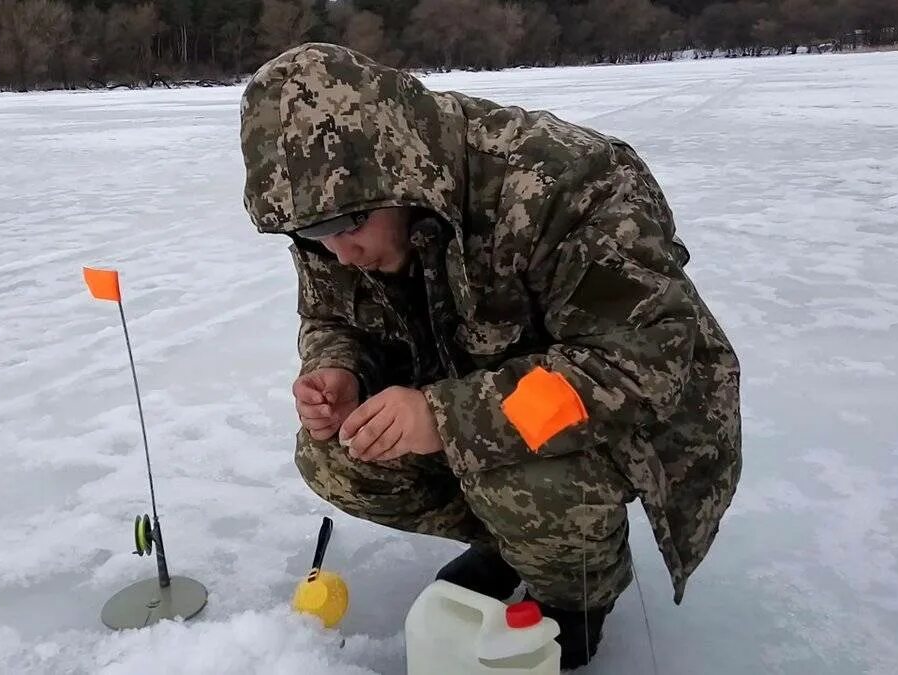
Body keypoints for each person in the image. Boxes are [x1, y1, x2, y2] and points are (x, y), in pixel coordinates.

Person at [239, 43, 742, 669]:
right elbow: (332, 314)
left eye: (347, 227)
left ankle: (580, 593)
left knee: (522, 473)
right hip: (473, 383)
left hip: (622, 416)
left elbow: (639, 363)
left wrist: (445, 418)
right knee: (337, 454)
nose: (339, 253)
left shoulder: (562, 180)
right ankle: (519, 544)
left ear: (400, 172)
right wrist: (338, 368)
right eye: (312, 236)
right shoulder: (337, 214)